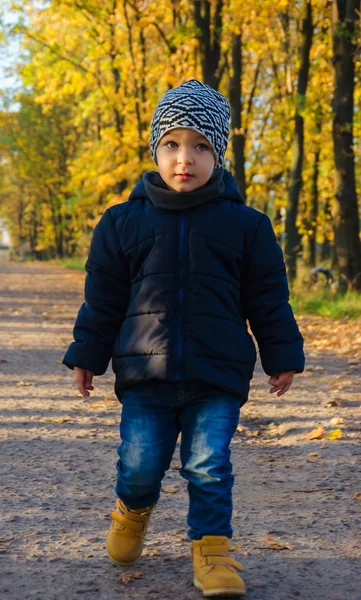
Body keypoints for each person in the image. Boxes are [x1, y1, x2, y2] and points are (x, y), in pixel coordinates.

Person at [62, 79, 305, 598]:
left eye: (200, 146)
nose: (184, 159)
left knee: (209, 465)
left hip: (216, 374)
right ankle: (132, 509)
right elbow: (102, 297)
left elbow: (267, 297)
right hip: (144, 375)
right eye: (172, 144)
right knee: (140, 463)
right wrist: (88, 353)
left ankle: (213, 550)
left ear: (217, 154)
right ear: (155, 150)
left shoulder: (246, 225)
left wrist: (281, 354)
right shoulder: (122, 222)